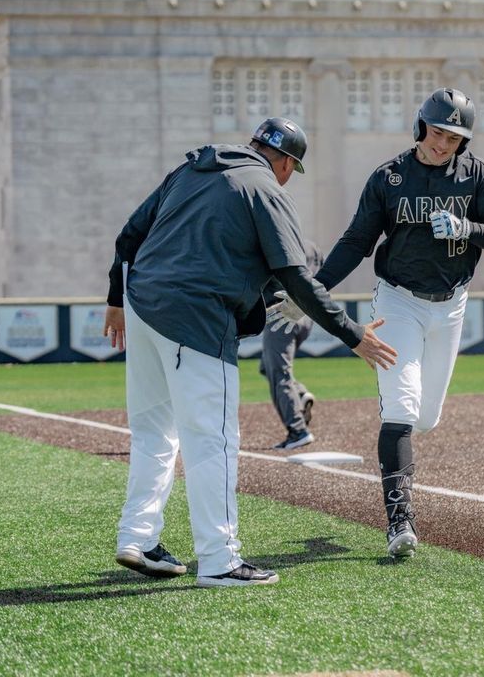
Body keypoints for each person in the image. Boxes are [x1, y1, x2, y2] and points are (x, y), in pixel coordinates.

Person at [102, 117, 397, 588]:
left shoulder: (191, 169)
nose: (286, 178)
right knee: (214, 440)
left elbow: (127, 237)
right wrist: (352, 334)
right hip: (194, 318)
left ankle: (137, 538)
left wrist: (116, 300)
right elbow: (297, 276)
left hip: (141, 307)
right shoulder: (264, 186)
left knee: (154, 433)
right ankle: (220, 560)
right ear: (285, 161)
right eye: (290, 169)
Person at [274, 88, 484, 558]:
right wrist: (310, 292)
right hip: (397, 300)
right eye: (437, 132)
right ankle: (399, 522)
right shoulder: (389, 177)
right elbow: (355, 242)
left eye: (454, 137)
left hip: (451, 304)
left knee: (427, 417)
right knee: (402, 409)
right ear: (420, 125)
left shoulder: (477, 175)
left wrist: (469, 228)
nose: (443, 144)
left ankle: (396, 376)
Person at [260, 238, 324, 450]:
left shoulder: (274, 243)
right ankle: (300, 394)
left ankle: (298, 431)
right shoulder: (310, 245)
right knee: (267, 367)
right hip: (307, 316)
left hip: (283, 314)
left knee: (279, 373)